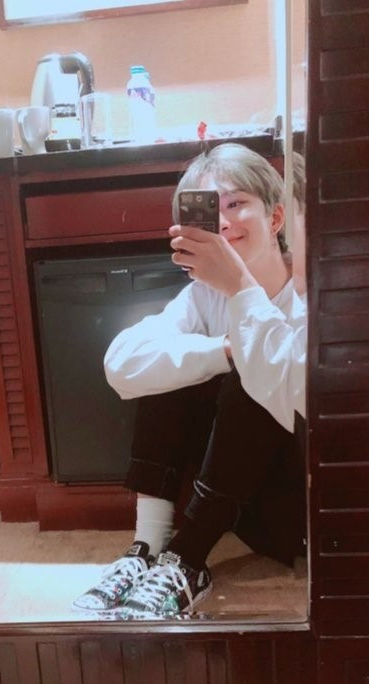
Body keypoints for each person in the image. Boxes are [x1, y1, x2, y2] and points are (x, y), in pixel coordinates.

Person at [73, 143, 306, 619]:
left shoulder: (307, 296)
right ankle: (148, 547)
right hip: (230, 497)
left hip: (290, 507)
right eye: (207, 210)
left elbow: (300, 402)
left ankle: (189, 557)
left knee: (252, 366)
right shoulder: (204, 296)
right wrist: (221, 349)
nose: (223, 221)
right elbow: (123, 364)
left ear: (276, 217)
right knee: (173, 363)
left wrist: (239, 343)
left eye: (236, 203)